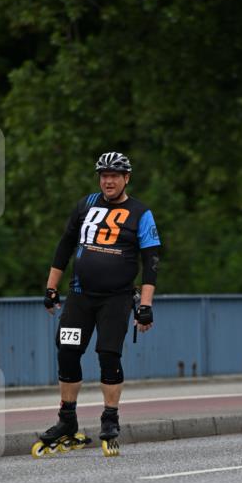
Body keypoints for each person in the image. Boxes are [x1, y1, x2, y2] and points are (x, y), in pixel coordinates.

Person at [36, 151, 160, 457]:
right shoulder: (86, 205)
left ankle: (110, 420)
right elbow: (65, 245)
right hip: (80, 296)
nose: (108, 181)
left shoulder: (140, 213)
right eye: (104, 175)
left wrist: (145, 306)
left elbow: (151, 262)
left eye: (115, 176)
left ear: (126, 178)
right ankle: (67, 421)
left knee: (107, 354)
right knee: (67, 352)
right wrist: (51, 287)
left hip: (116, 299)